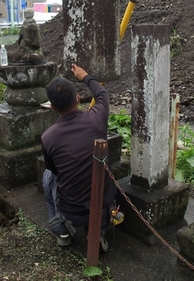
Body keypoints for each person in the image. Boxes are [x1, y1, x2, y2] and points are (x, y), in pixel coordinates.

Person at [41, 64, 116, 250]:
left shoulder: (48, 137)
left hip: (70, 211)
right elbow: (103, 94)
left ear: (52, 107)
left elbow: (54, 170)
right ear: (77, 97)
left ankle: (62, 231)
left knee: (48, 176)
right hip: (102, 208)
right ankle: (96, 232)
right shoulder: (97, 119)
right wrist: (85, 76)